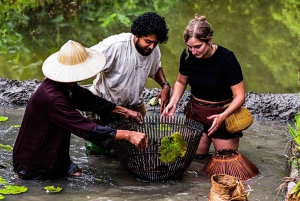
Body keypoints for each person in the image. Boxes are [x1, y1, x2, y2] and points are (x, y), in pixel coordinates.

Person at [12, 40, 149, 180]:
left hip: (55, 154)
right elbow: (86, 128)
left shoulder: (66, 85)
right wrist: (129, 135)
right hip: (34, 164)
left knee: (77, 175)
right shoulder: (53, 98)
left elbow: (87, 99)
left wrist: (123, 111)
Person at [84, 12, 171, 155]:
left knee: (127, 153)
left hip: (131, 109)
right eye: (148, 41)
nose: (151, 47)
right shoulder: (114, 47)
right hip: (104, 106)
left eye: (155, 43)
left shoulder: (153, 50)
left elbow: (155, 68)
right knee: (98, 154)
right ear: (136, 35)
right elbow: (85, 61)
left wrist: (165, 85)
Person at [162, 15, 245, 159]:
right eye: (190, 46)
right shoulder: (188, 56)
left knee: (226, 162)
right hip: (196, 111)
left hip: (222, 112)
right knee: (194, 160)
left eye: (198, 46)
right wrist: (173, 102)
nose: (193, 52)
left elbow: (239, 96)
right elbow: (181, 82)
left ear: (209, 40)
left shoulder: (227, 58)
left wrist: (223, 116)